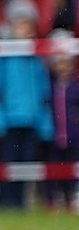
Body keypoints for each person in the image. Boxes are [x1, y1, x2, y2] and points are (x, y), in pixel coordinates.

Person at [0, 0, 53, 209]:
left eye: (28, 24)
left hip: (30, 120)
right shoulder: (0, 54)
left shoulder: (35, 56)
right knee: (6, 162)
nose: (25, 28)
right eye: (21, 23)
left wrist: (44, 121)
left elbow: (43, 91)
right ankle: (5, 199)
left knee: (26, 162)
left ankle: (20, 201)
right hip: (8, 121)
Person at [46, 46, 79, 211]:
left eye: (66, 63)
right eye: (59, 63)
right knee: (52, 170)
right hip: (53, 135)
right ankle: (51, 200)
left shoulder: (75, 86)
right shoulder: (49, 85)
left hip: (73, 136)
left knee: (71, 170)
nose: (63, 67)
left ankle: (70, 199)